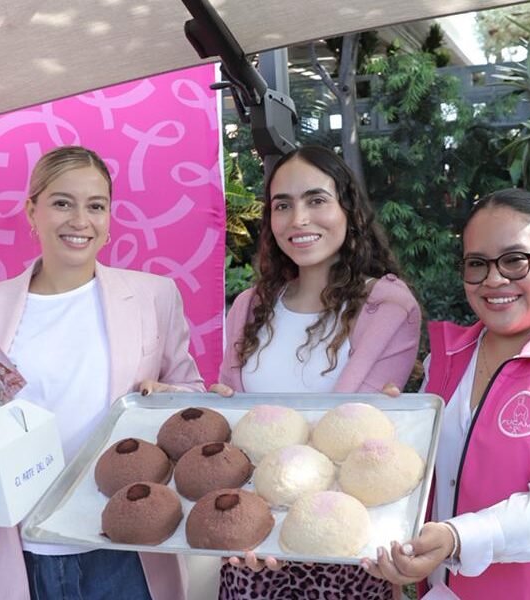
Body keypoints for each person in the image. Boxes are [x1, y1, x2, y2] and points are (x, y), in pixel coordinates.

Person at [0, 145, 204, 600]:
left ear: (110, 218)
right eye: (61, 203)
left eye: (96, 206)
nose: (80, 220)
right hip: (20, 548)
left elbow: (190, 396)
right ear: (31, 211)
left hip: (125, 545)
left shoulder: (154, 297)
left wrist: (163, 394)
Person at [361, 189, 530, 599]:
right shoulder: (446, 361)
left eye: (515, 260)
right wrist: (389, 429)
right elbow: (418, 479)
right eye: (477, 264)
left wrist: (455, 537)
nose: (494, 279)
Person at [209, 145, 422, 600]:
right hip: (253, 545)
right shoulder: (249, 307)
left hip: (342, 546)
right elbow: (233, 418)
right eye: (282, 205)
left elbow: (352, 441)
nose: (298, 218)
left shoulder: (386, 306)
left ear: (348, 209)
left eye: (316, 200)